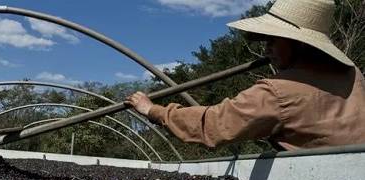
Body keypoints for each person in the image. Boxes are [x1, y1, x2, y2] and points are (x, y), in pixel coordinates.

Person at [125, 0, 365, 151]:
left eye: (272, 40)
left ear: (299, 44)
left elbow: (212, 125)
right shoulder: (353, 74)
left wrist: (151, 110)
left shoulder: (277, 92)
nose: (266, 49)